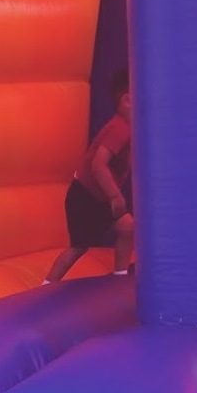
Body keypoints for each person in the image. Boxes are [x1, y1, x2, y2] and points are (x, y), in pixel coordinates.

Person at [44, 68, 133, 284]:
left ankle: (120, 276)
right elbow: (98, 165)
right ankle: (46, 286)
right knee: (78, 247)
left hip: (99, 195)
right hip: (85, 196)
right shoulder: (119, 129)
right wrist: (115, 196)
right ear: (127, 100)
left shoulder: (127, 128)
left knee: (128, 227)